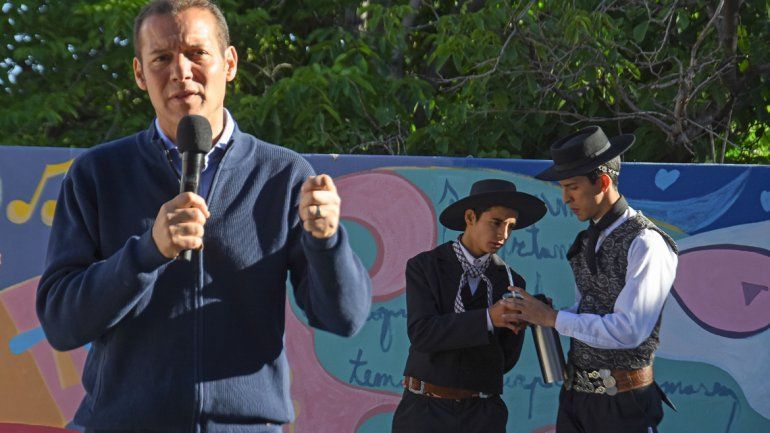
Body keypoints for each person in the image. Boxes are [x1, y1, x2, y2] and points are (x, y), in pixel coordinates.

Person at [35, 1, 372, 432]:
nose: (180, 71)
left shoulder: (283, 176)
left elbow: (344, 318)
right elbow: (62, 323)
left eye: (197, 53)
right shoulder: (98, 175)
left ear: (229, 63)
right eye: (161, 58)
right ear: (140, 74)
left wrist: (326, 241)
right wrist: (146, 253)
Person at [508, 126, 678, 433]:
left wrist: (554, 318)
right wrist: (538, 313)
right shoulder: (587, 240)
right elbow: (590, 311)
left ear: (601, 181)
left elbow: (629, 330)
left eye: (571, 187)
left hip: (624, 403)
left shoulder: (646, 243)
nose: (565, 198)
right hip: (576, 399)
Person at [391, 179, 547, 433]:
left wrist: (522, 321)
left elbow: (504, 361)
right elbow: (422, 333)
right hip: (425, 409)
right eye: (496, 222)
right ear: (470, 217)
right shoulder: (425, 267)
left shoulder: (511, 281)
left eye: (510, 226)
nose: (503, 235)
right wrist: (487, 318)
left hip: (482, 414)